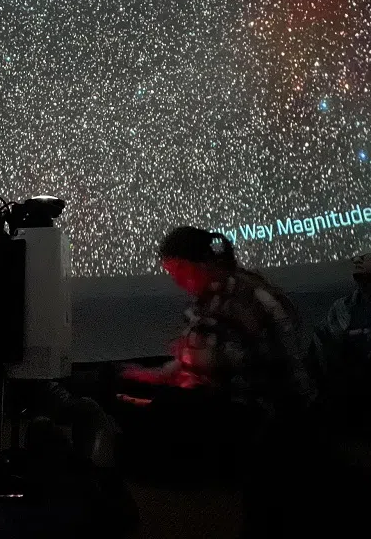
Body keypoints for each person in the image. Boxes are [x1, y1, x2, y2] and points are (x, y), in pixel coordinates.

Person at [117, 226, 321, 538]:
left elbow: (272, 369)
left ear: (201, 263)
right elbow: (193, 361)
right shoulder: (205, 303)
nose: (176, 280)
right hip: (228, 401)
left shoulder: (252, 300)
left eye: (178, 270)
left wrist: (195, 372)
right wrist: (148, 375)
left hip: (265, 413)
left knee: (166, 415)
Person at [309, 251, 371, 419]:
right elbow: (320, 351)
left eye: (364, 256)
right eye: (355, 257)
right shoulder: (341, 308)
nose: (356, 259)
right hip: (351, 407)